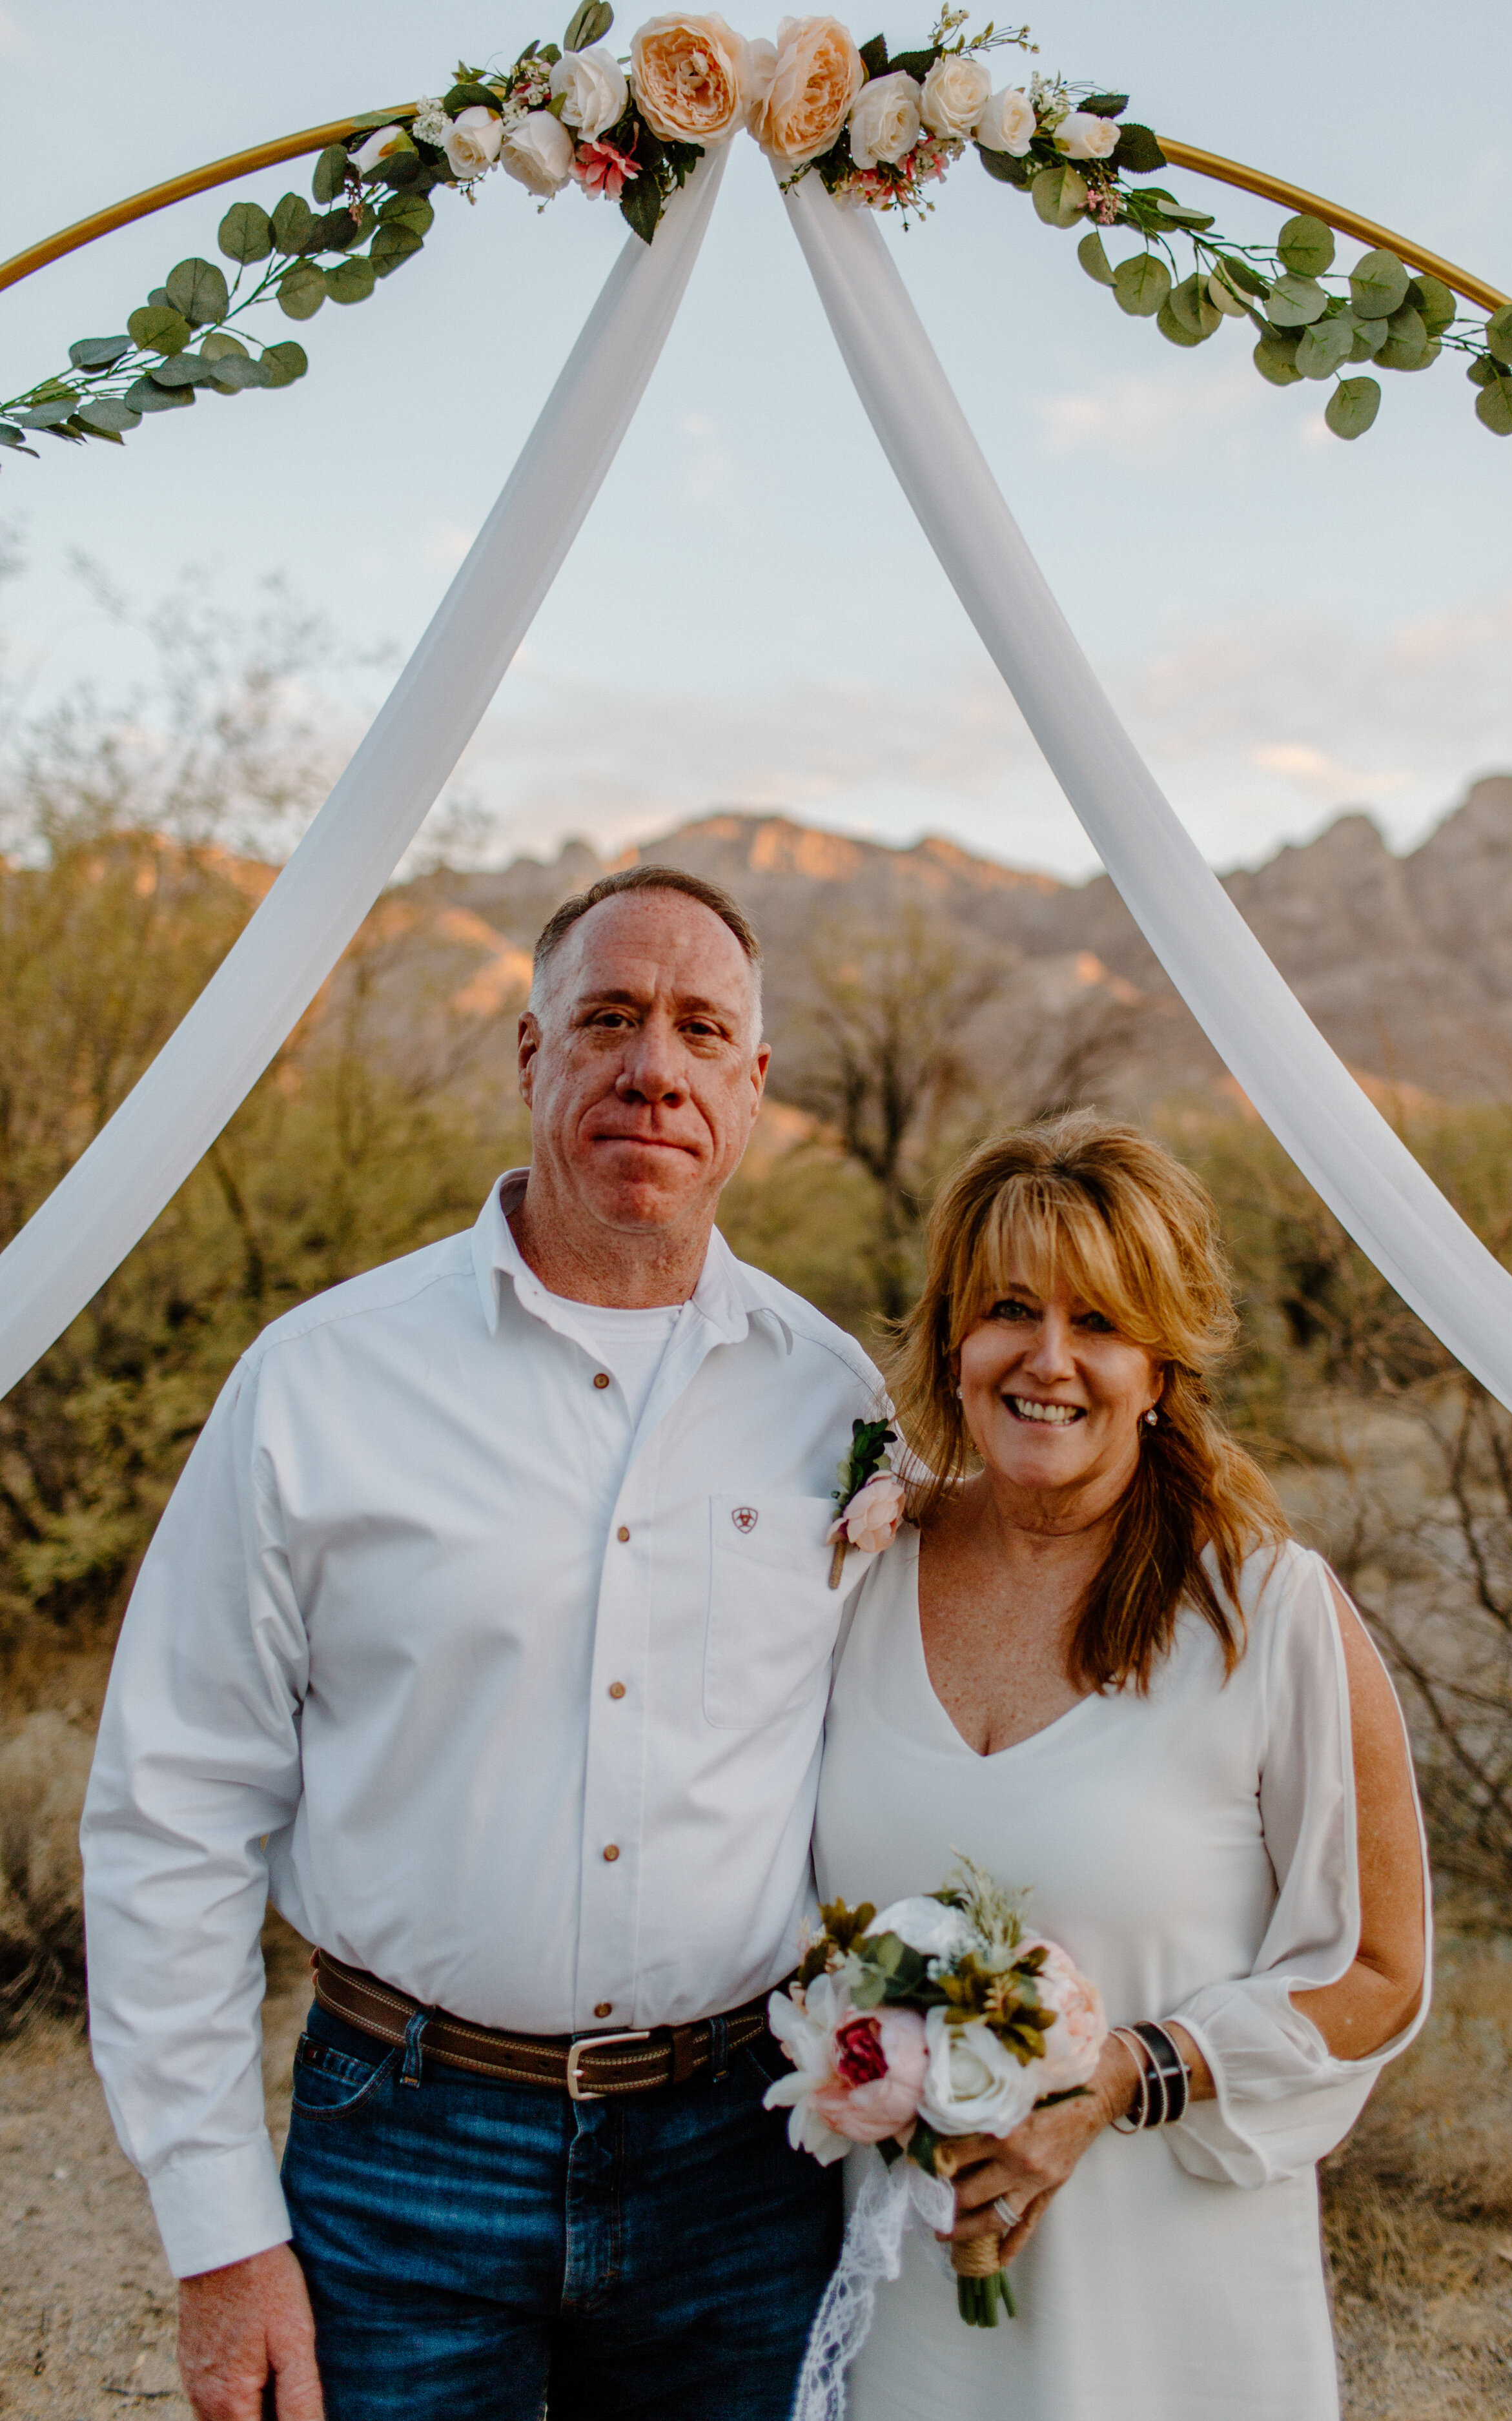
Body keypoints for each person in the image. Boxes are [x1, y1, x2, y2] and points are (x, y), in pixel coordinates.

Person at [81, 865, 891, 2421]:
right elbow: (171, 1809)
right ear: (531, 1056)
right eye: (607, 1017)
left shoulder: (833, 1399)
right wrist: (216, 2237)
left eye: (700, 1029)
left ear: (753, 1086)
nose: (653, 1063)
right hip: (403, 2156)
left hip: (743, 2155)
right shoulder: (318, 1383)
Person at [813, 1112, 1429, 2421]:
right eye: (1008, 1311)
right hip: (911, 2302)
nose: (1047, 1360)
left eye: (1097, 1321)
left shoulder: (1261, 1610)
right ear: (950, 1341)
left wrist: (1126, 2073)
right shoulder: (859, 1580)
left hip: (1170, 2309)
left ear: (1158, 1367)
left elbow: (1377, 1972)